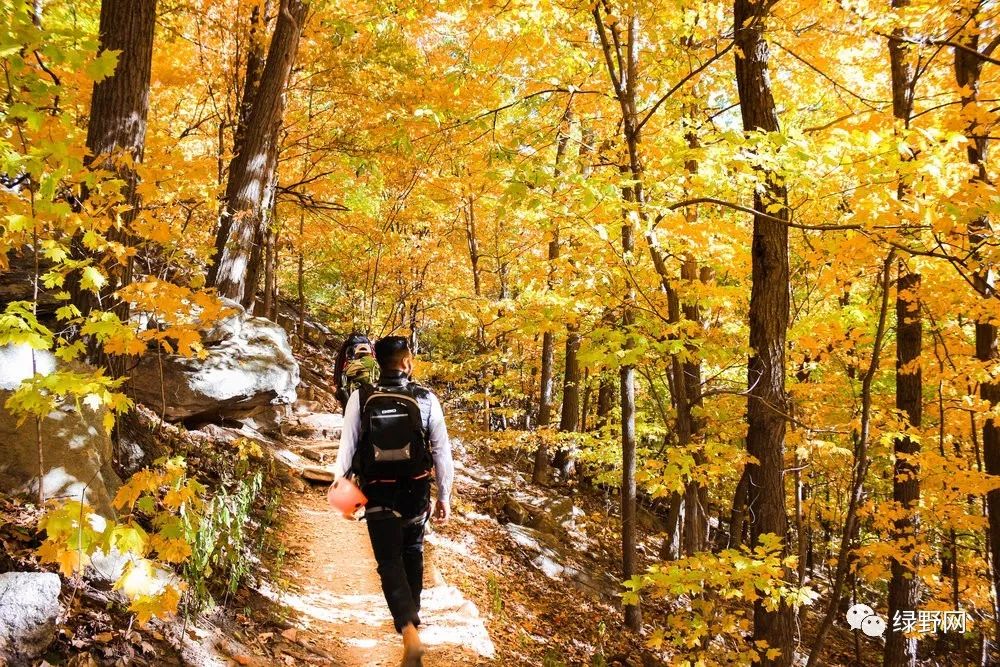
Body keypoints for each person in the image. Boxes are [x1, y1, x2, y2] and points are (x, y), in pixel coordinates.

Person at [334, 336, 453, 667]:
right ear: (406, 361)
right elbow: (442, 451)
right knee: (412, 553)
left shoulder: (362, 397)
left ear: (378, 362)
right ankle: (412, 625)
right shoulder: (426, 398)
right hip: (416, 491)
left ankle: (408, 631)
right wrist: (444, 495)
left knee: (389, 562)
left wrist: (341, 490)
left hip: (378, 489)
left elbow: (348, 446)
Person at [333, 333, 375, 409]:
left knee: (342, 390)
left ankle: (347, 412)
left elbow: (341, 364)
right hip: (370, 388)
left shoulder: (347, 345)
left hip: (352, 385)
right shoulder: (373, 360)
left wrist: (337, 382)